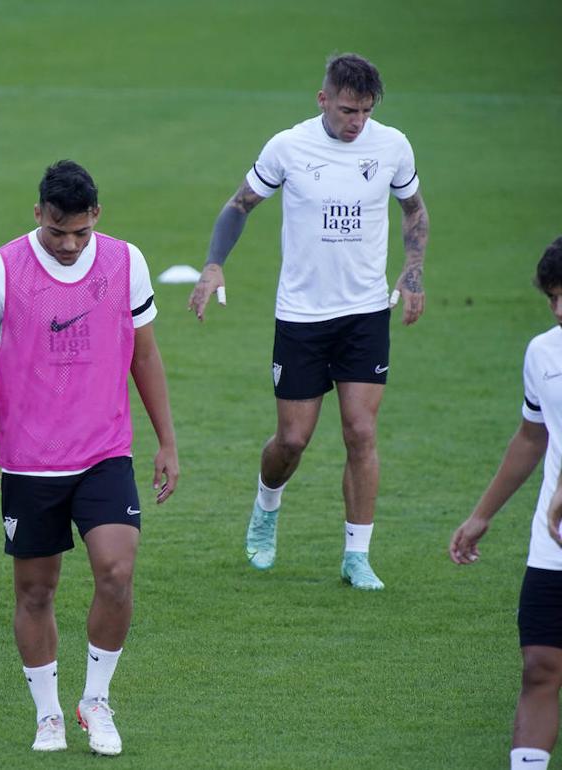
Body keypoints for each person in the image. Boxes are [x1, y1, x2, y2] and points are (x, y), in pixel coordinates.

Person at [0, 160, 179, 755]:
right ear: (38, 216)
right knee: (35, 591)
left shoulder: (126, 262)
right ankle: (48, 712)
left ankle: (95, 700)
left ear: (96, 216)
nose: (70, 244)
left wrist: (167, 442)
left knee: (117, 571)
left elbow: (145, 357)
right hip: (29, 464)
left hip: (105, 452)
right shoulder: (1, 270)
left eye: (80, 231)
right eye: (58, 232)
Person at [187, 53, 431, 590]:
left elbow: (414, 209)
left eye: (366, 111)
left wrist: (412, 272)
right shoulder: (288, 147)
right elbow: (239, 204)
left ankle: (357, 555)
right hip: (301, 315)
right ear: (323, 100)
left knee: (361, 432)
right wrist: (212, 265)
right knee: (292, 440)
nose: (357, 122)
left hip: (365, 312)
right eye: (348, 110)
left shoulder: (392, 146)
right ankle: (266, 506)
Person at [451, 237, 562, 769]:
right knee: (540, 664)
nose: (560, 309)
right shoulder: (544, 353)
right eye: (552, 298)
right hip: (555, 538)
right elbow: (531, 437)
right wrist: (481, 514)